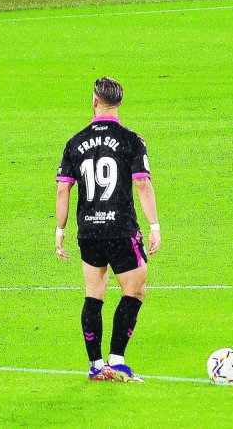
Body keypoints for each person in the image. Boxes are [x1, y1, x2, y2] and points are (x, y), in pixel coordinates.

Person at [55, 77, 161, 383]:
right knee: (135, 291)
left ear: (94, 101)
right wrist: (154, 225)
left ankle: (95, 365)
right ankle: (116, 360)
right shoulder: (131, 140)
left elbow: (63, 191)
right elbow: (142, 182)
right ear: (120, 103)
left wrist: (59, 233)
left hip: (88, 230)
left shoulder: (75, 142)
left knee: (94, 294)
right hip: (120, 227)